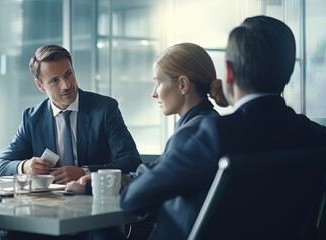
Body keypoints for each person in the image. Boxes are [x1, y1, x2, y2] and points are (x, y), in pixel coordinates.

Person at [119, 16, 326, 240]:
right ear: (289, 71)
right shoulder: (317, 136)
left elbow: (133, 199)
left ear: (229, 72)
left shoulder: (214, 135)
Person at [66, 42, 228, 193]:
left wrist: (93, 188)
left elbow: (146, 192)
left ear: (183, 85)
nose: (154, 93)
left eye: (159, 82)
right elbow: (156, 173)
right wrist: (100, 181)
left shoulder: (192, 134)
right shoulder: (206, 124)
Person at [0, 44, 141, 184]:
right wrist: (25, 166)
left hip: (94, 197)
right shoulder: (32, 119)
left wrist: (85, 173)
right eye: (55, 81)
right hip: (49, 203)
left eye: (68, 74)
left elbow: (132, 162)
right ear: (40, 85)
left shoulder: (105, 109)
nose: (66, 85)